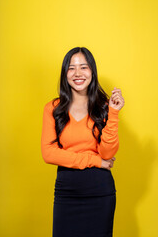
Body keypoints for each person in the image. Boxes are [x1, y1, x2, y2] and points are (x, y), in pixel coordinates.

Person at [41, 47, 125, 237]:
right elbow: (48, 153)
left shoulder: (104, 107)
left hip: (100, 192)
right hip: (66, 192)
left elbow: (107, 154)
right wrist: (96, 161)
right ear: (65, 73)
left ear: (92, 72)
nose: (78, 73)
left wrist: (113, 113)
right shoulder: (52, 109)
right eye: (71, 68)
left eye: (83, 67)